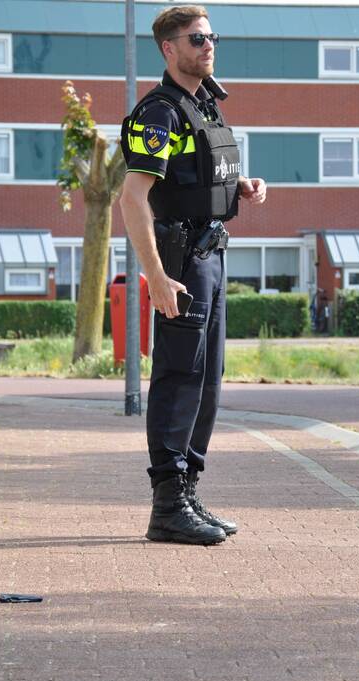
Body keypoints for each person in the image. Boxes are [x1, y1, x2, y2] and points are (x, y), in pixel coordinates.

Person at [119, 4, 267, 545]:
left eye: (211, 37)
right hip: (181, 261)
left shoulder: (202, 106)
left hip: (211, 253)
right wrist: (155, 277)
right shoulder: (158, 112)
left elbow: (195, 176)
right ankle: (167, 506)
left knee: (207, 382)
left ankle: (188, 493)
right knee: (179, 379)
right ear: (169, 48)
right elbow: (133, 200)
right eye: (197, 38)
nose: (208, 46)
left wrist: (240, 188)